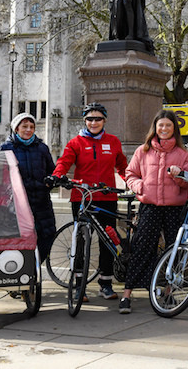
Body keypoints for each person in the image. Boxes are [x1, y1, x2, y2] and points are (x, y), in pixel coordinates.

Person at [119, 110, 188, 314]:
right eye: (160, 125)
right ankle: (127, 294)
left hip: (174, 209)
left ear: (174, 129)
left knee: (174, 249)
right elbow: (130, 174)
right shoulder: (142, 151)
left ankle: (169, 291)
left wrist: (179, 176)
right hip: (150, 207)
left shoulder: (182, 154)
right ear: (155, 127)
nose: (164, 129)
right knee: (141, 248)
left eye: (168, 126)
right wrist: (140, 187)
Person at [51, 103, 128, 301]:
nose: (94, 122)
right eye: (90, 119)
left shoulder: (113, 142)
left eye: (98, 119)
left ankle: (105, 284)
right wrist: (58, 175)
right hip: (82, 198)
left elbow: (122, 166)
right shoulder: (76, 142)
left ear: (105, 120)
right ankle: (79, 286)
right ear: (85, 120)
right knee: (81, 242)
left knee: (107, 241)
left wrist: (133, 182)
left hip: (107, 197)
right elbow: (64, 162)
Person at [0, 113, 56, 263]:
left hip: (41, 202)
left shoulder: (42, 148)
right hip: (17, 204)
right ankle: (20, 274)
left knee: (47, 237)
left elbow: (52, 170)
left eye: (31, 127)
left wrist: (51, 182)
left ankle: (32, 270)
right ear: (16, 129)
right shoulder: (5, 148)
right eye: (24, 126)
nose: (28, 130)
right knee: (18, 240)